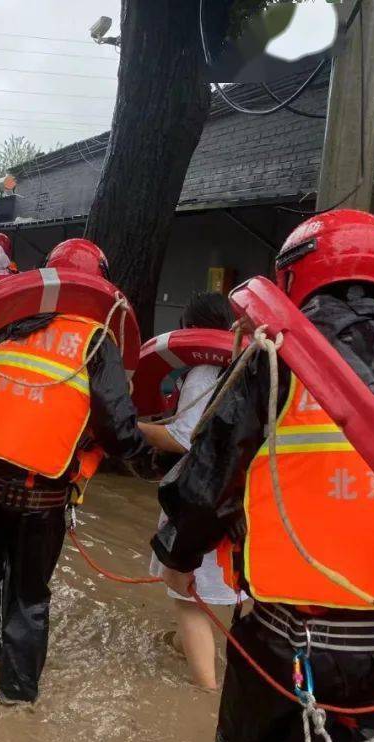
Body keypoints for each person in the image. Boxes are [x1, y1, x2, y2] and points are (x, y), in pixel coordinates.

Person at [152, 210, 374, 742]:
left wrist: (177, 559)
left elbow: (207, 480)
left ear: (296, 275)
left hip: (281, 636)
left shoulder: (272, 365)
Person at [0, 238, 154, 704]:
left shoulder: (7, 328)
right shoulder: (95, 342)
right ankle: (15, 695)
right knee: (28, 594)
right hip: (36, 493)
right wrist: (154, 464)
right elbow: (118, 427)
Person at [137, 291, 241, 691]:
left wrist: (135, 426)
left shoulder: (204, 373)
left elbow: (183, 440)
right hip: (238, 494)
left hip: (199, 494)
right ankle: (186, 649)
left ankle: (204, 691)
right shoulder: (249, 371)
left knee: (187, 594)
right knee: (218, 589)